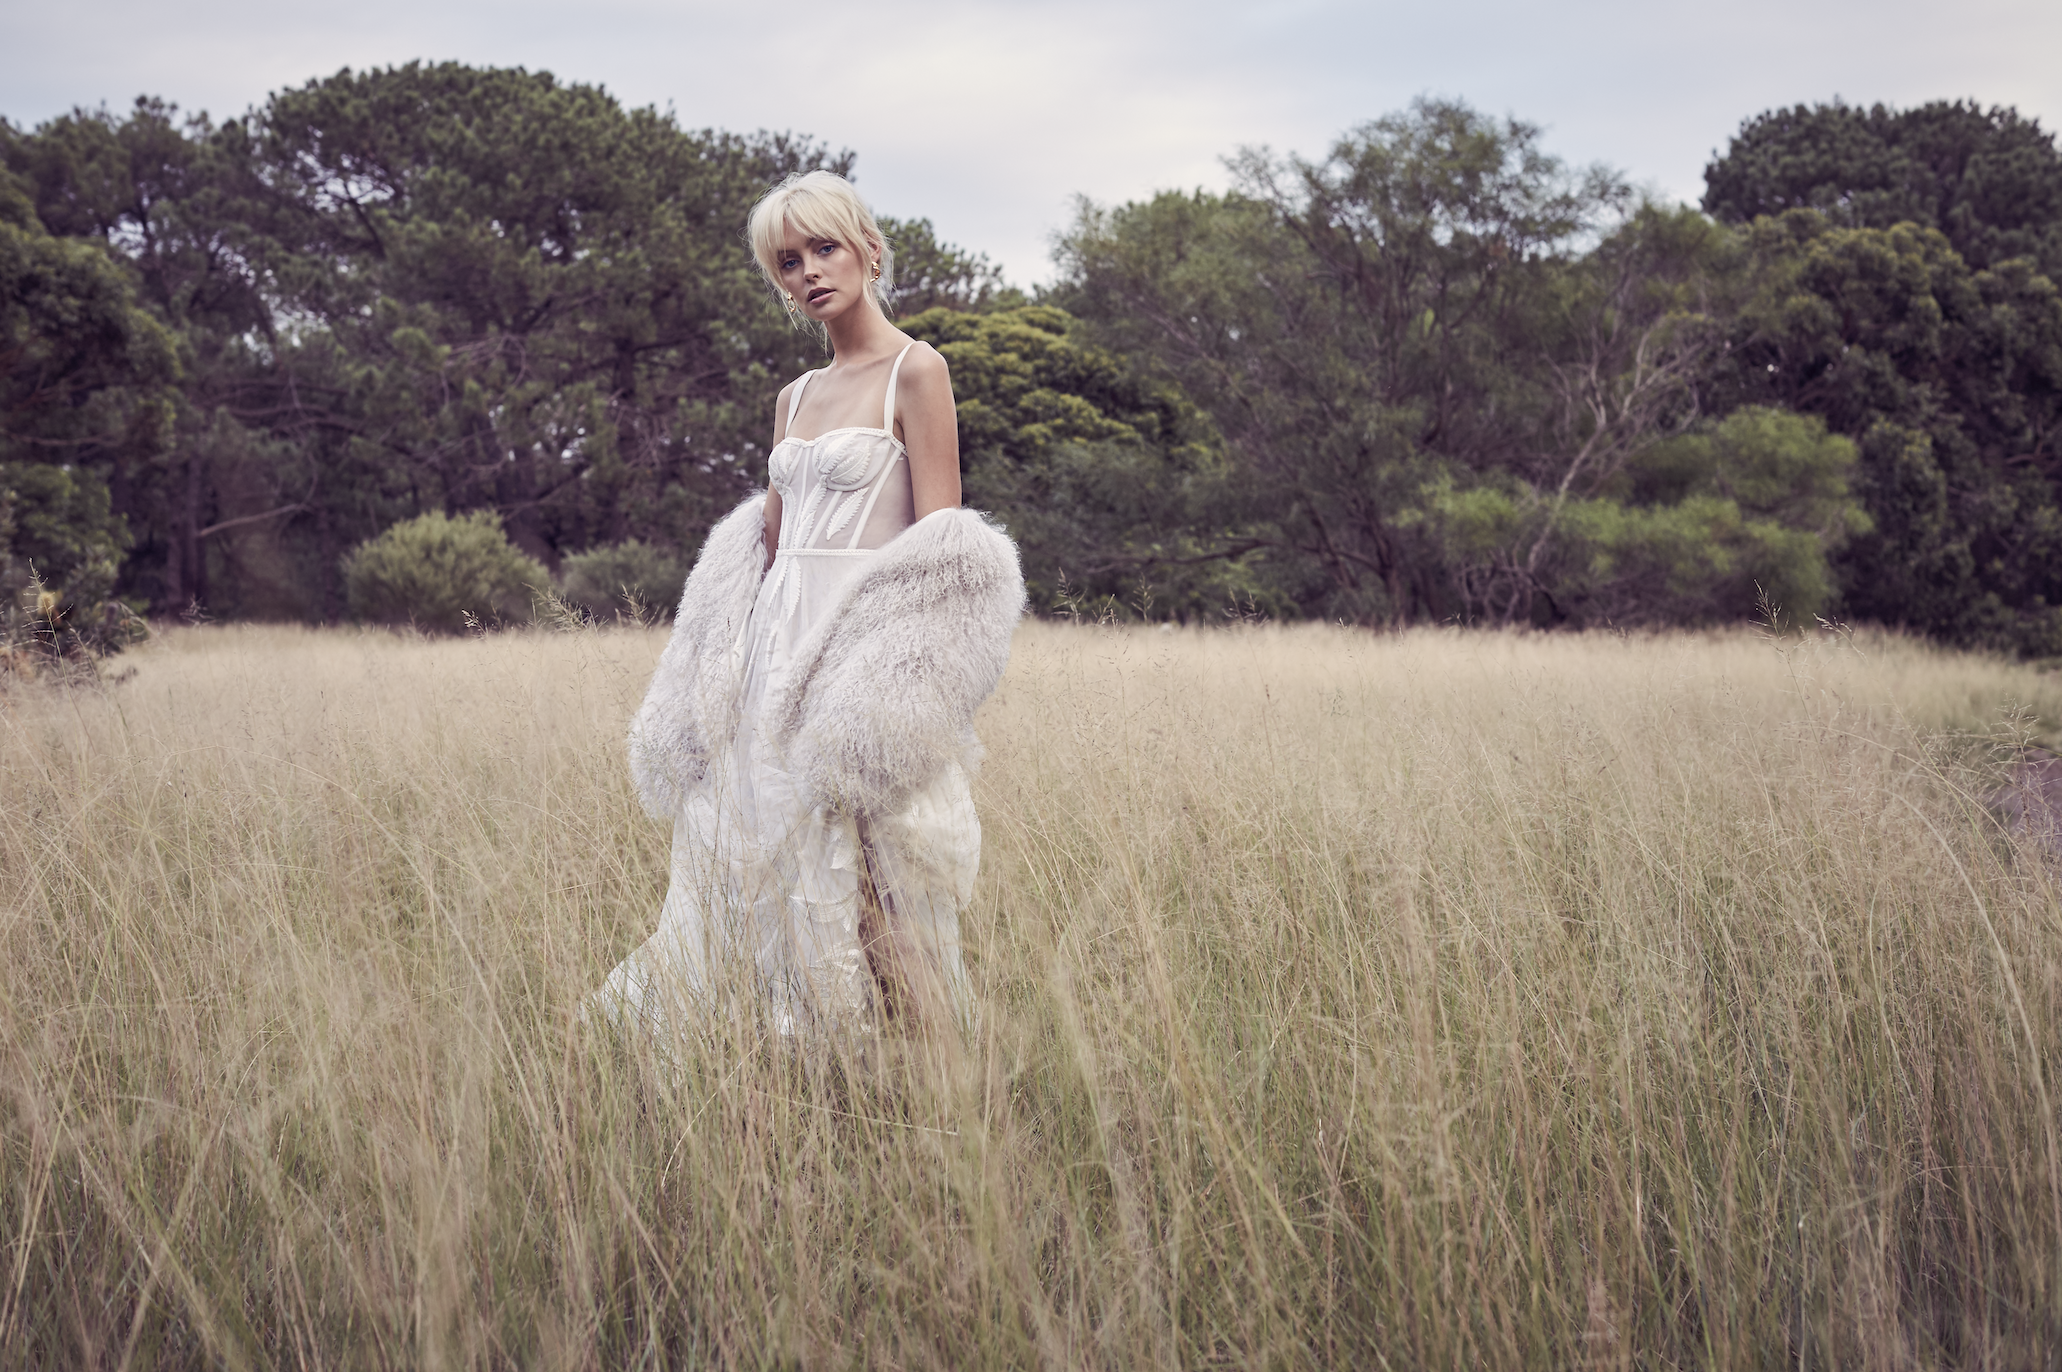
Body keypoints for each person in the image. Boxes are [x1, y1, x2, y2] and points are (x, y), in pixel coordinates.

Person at [592, 170, 1022, 1043]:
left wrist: (888, 693)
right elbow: (772, 552)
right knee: (763, 873)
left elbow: (938, 559)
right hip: (768, 664)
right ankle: (801, 1082)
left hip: (860, 661)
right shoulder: (792, 397)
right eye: (789, 262)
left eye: (824, 248)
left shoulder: (917, 370)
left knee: (879, 888)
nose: (810, 273)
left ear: (867, 246)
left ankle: (946, 1093)